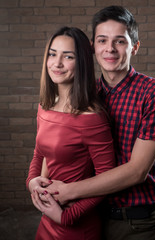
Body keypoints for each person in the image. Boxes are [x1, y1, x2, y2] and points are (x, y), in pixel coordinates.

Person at [35, 6, 155, 240]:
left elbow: (137, 171)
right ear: (92, 47)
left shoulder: (154, 94)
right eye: (102, 40)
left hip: (132, 220)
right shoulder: (86, 95)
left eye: (120, 41)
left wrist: (67, 191)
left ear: (135, 47)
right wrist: (36, 182)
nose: (109, 48)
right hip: (89, 213)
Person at [26, 26, 116, 240]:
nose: (56, 63)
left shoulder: (92, 117)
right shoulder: (45, 106)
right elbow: (40, 153)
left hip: (75, 224)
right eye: (52, 54)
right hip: (47, 218)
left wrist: (67, 217)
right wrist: (31, 182)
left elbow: (106, 181)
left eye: (67, 57)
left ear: (82, 62)